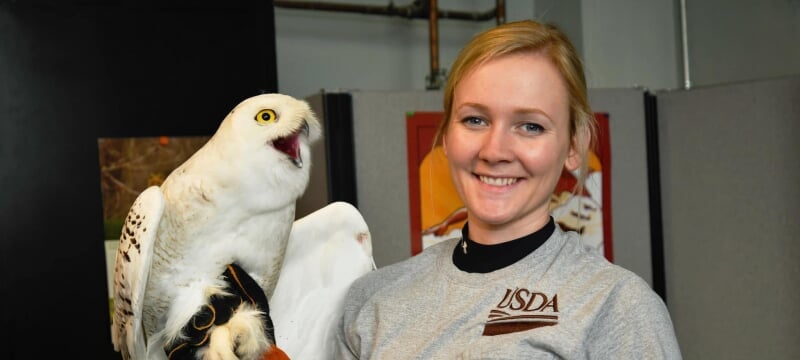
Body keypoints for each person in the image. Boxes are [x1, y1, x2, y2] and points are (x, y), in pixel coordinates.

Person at [336, 19, 681, 359]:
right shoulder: (373, 301)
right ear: (445, 136)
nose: (494, 151)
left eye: (530, 126)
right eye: (475, 120)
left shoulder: (616, 307)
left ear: (575, 147)